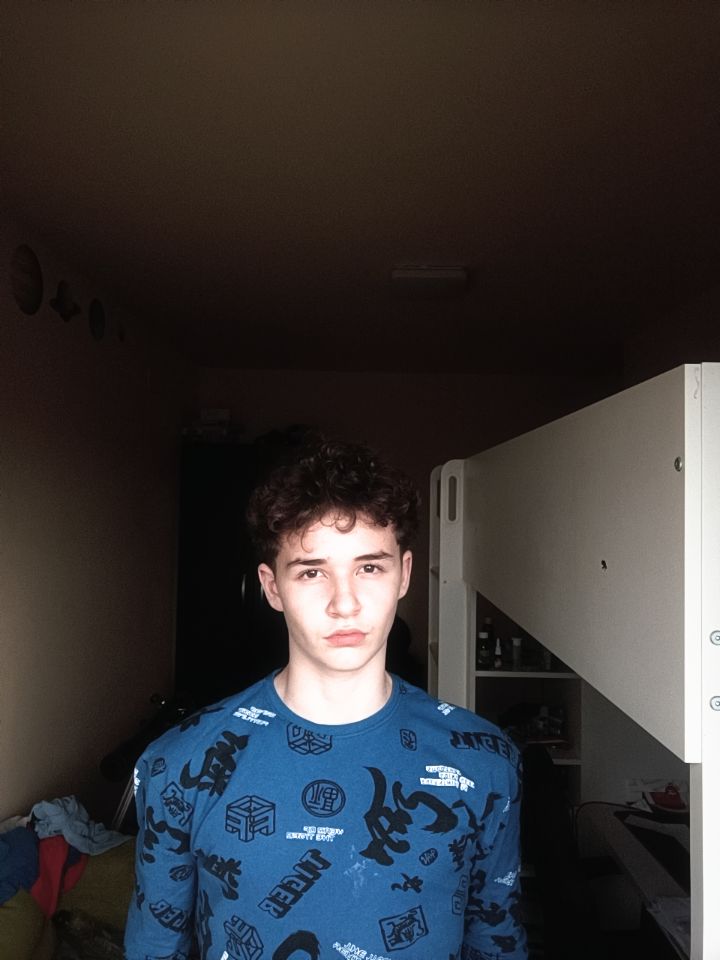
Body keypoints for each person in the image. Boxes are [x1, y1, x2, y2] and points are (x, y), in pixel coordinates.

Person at [124, 438, 527, 960]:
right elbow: (154, 949)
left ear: (404, 574)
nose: (344, 603)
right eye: (312, 572)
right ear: (272, 587)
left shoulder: (484, 762)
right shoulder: (179, 765)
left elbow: (496, 943)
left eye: (369, 567)